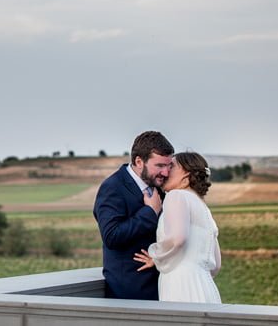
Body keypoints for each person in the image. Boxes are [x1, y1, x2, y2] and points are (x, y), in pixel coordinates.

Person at [93, 130, 174, 300]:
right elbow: (112, 236)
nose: (166, 173)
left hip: (164, 287)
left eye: (168, 165)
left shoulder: (159, 186)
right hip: (130, 291)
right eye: (159, 166)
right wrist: (150, 212)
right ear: (139, 161)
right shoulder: (112, 187)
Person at [133, 152, 222, 303]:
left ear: (186, 174)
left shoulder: (176, 196)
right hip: (206, 287)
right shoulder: (203, 207)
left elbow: (178, 239)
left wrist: (156, 256)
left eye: (171, 166)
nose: (166, 171)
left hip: (180, 287)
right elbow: (216, 266)